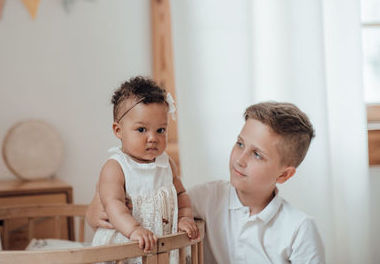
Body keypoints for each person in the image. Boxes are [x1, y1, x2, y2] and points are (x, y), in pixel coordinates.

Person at [87, 101, 325, 264]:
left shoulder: (300, 228)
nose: (240, 159)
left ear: (283, 175)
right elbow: (146, 205)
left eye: (257, 154)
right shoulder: (207, 197)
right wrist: (96, 208)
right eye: (240, 144)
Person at [90, 76, 199, 263]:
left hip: (161, 247)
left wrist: (185, 217)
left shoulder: (167, 164)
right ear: (118, 130)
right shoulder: (115, 167)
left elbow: (181, 195)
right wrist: (134, 230)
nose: (152, 138)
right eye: (141, 130)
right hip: (126, 246)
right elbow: (113, 205)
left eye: (160, 130)